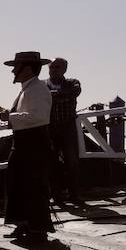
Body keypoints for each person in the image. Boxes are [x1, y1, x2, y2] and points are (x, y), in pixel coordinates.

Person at [0, 51, 54, 245]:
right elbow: (28, 115)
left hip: (34, 144)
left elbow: (39, 117)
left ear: (26, 68)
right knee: (18, 184)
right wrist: (8, 113)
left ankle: (37, 230)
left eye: (15, 67)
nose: (12, 71)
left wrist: (8, 117)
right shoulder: (29, 88)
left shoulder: (38, 89)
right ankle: (25, 224)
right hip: (24, 143)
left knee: (34, 187)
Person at [47, 57, 83, 204]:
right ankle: (56, 194)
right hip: (50, 127)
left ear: (64, 69)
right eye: (51, 67)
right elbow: (42, 99)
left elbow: (75, 91)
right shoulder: (43, 85)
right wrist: (58, 95)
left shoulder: (73, 82)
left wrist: (54, 95)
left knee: (72, 162)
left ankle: (74, 194)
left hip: (68, 127)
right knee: (51, 163)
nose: (54, 70)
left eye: (57, 67)